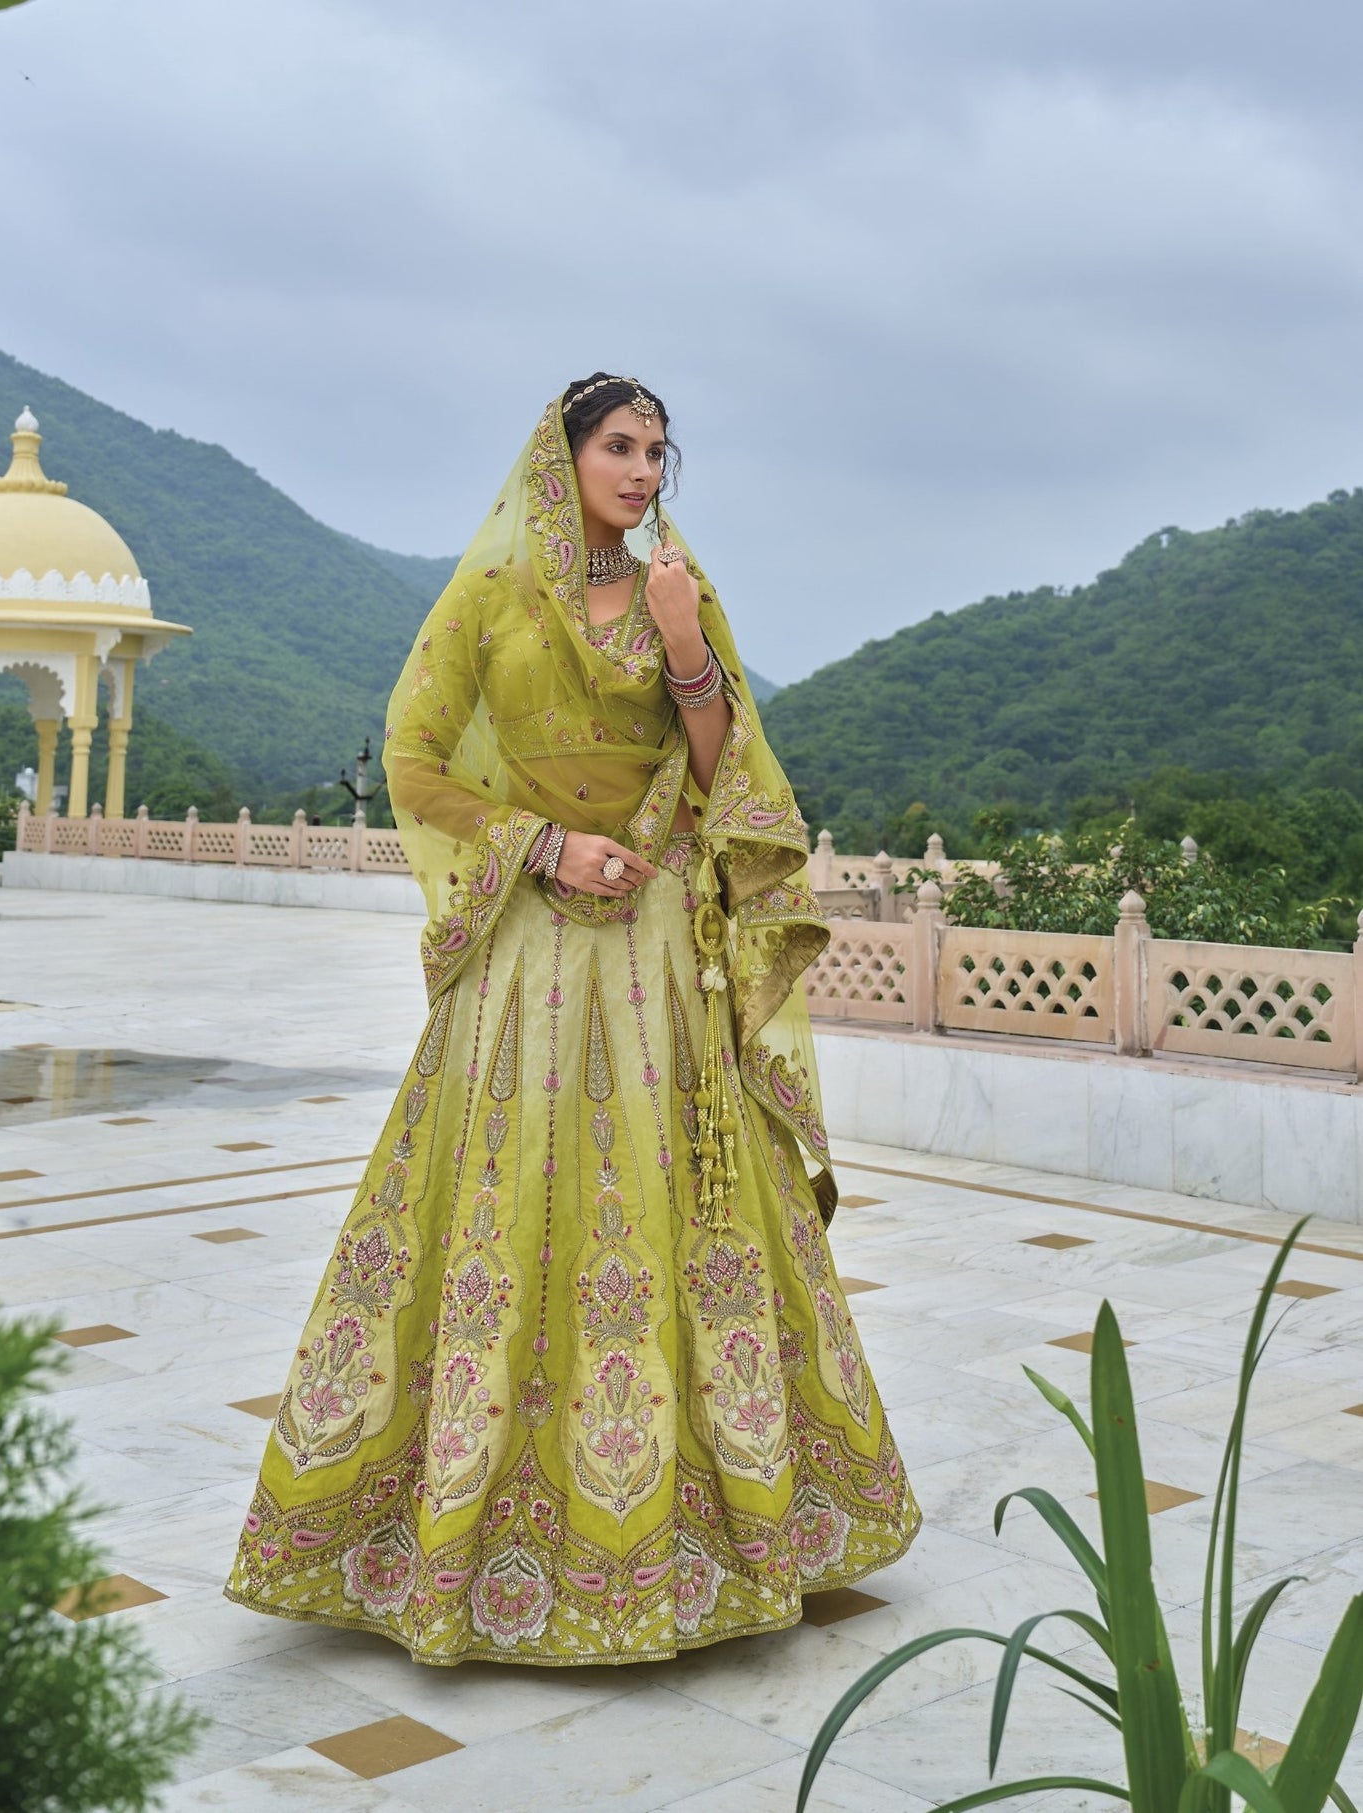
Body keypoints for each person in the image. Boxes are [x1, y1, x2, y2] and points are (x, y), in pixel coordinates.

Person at [225, 374, 920, 1664]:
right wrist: (539, 843)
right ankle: (450, 1529)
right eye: (621, 446)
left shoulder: (679, 588)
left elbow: (727, 777)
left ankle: (725, 1524)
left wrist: (687, 649)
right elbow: (415, 758)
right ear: (564, 459)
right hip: (527, 951)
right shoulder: (491, 597)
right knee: (508, 1194)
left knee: (671, 1198)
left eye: (661, 451)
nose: (646, 470)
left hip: (660, 944)